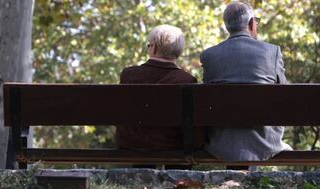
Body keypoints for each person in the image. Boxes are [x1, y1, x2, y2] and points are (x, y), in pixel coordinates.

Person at [200, 2, 292, 165]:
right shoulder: (272, 52)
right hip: (265, 143)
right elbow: (283, 96)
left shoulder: (209, 55)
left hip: (221, 143)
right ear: (251, 23)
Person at [117, 25, 204, 169]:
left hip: (133, 145)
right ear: (178, 51)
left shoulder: (129, 75)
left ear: (153, 48)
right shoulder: (186, 80)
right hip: (174, 146)